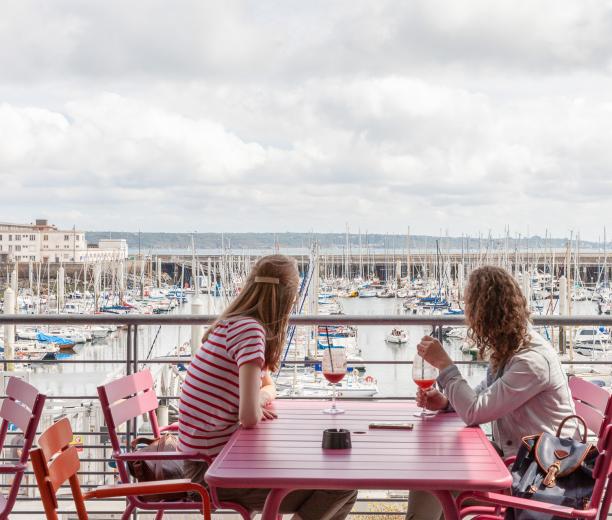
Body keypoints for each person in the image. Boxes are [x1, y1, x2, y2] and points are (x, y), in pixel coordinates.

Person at [179, 254, 357, 520]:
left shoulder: (233, 323)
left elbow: (267, 386)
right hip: (213, 473)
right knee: (340, 487)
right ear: (286, 298)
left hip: (212, 459)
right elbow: (249, 418)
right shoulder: (250, 331)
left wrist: (259, 397)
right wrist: (257, 402)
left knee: (338, 486)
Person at [406, 266, 575, 520]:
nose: (468, 319)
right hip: (516, 464)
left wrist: (445, 365)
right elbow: (481, 398)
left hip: (538, 478)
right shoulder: (513, 349)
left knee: (434, 476)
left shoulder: (531, 361)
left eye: (470, 310)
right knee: (432, 471)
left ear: (485, 314)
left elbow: (475, 412)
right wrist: (446, 402)